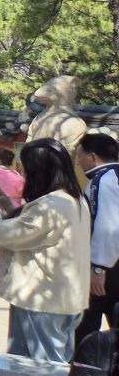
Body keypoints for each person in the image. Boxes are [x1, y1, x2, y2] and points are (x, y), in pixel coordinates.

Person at [0, 137, 90, 376]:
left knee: (48, 371)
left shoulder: (52, 205)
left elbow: (5, 234)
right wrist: (0, 195)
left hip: (44, 301)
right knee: (24, 364)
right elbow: (26, 221)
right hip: (50, 297)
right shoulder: (70, 199)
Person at [77, 131, 119, 344]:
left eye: (80, 155)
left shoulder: (103, 180)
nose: (78, 161)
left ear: (92, 157)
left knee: (86, 327)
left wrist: (98, 267)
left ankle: (84, 371)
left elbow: (109, 226)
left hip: (109, 268)